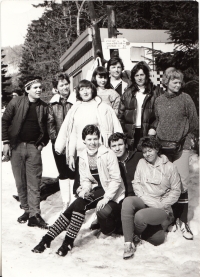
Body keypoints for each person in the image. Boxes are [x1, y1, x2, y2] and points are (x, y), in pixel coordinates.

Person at [32, 125, 125, 256]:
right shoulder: (82, 157)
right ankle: (51, 240)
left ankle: (57, 241)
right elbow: (85, 179)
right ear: (84, 141)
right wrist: (85, 190)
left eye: (95, 139)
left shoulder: (107, 153)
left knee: (79, 204)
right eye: (89, 139)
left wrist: (106, 197)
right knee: (77, 204)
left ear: (99, 139)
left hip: (111, 189)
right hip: (97, 188)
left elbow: (116, 179)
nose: (93, 142)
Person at [149, 67, 199, 240]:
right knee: (168, 183)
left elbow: (194, 123)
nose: (178, 85)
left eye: (180, 82)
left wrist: (189, 140)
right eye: (174, 81)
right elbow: (158, 120)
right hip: (163, 147)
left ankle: (183, 221)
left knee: (182, 183)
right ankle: (171, 216)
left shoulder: (186, 99)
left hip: (182, 147)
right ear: (166, 82)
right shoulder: (159, 100)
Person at [54, 79, 123, 194]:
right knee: (82, 188)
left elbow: (115, 127)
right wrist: (71, 155)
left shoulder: (103, 107)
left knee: (101, 185)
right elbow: (73, 134)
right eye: (81, 89)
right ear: (78, 92)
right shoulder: (75, 109)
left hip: (99, 154)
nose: (85, 92)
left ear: (93, 90)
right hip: (81, 156)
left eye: (87, 88)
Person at [121, 136, 181, 259]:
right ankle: (128, 243)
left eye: (150, 150)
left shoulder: (169, 167)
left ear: (157, 149)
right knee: (128, 201)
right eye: (144, 151)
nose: (147, 154)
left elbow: (176, 190)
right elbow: (136, 183)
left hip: (161, 206)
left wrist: (162, 204)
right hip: (144, 200)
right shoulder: (142, 163)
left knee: (157, 238)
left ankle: (135, 230)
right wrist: (145, 198)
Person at [2, 76, 49, 228]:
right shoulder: (16, 102)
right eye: (35, 87)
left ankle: (35, 215)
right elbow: (5, 121)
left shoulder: (44, 107)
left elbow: (48, 128)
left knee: (34, 182)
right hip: (16, 147)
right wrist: (6, 142)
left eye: (40, 87)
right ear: (27, 89)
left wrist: (42, 143)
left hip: (33, 147)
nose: (39, 90)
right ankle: (26, 210)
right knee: (20, 182)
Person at [118, 61, 163, 150]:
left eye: (141, 75)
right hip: (131, 133)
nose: (139, 78)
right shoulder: (127, 93)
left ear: (146, 75)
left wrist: (154, 128)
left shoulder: (156, 92)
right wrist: (123, 133)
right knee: (133, 159)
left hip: (148, 131)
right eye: (136, 75)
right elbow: (120, 116)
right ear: (133, 78)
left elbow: (161, 113)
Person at [47, 72, 76, 211]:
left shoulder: (76, 101)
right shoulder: (52, 104)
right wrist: (56, 141)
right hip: (58, 144)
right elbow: (50, 124)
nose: (65, 87)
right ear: (56, 88)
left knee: (73, 172)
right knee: (63, 173)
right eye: (61, 85)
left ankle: (74, 202)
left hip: (74, 143)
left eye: (66, 84)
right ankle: (66, 202)